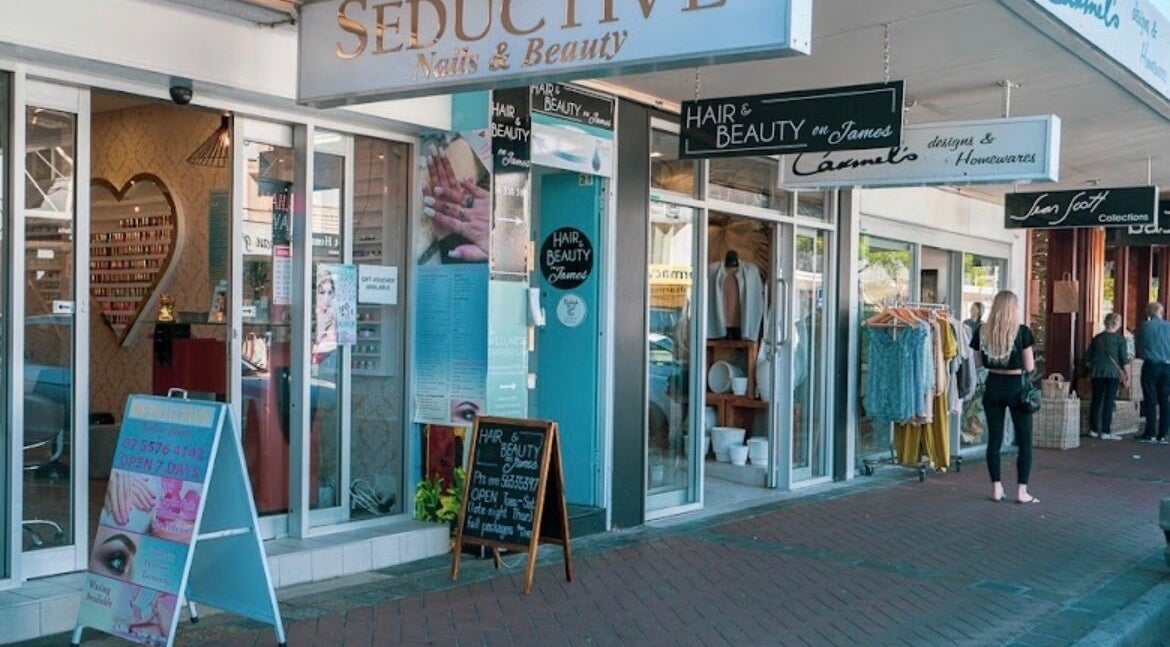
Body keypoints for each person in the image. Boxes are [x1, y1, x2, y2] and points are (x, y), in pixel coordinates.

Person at [969, 290, 1039, 504]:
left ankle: (997, 488)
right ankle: (1022, 492)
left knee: (994, 440)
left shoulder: (982, 332)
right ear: (1013, 308)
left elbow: (977, 362)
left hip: (993, 386)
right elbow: (1029, 366)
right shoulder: (1022, 332)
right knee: (1024, 441)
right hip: (1017, 387)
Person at [1086, 312, 1130, 440]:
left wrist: (1094, 367)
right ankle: (1106, 431)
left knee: (1096, 400)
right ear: (1116, 323)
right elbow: (1124, 359)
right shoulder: (1120, 339)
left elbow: (1087, 358)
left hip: (1097, 372)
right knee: (1109, 401)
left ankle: (1093, 429)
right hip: (1112, 373)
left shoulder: (1097, 338)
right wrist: (1128, 376)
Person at [1135, 302, 1170, 443]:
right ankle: (1163, 434)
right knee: (1165, 400)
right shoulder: (1169, 326)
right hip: (1167, 366)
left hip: (1151, 364)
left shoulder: (1145, 327)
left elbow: (1139, 345)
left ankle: (1149, 432)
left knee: (1150, 399)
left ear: (1149, 312)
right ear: (1161, 312)